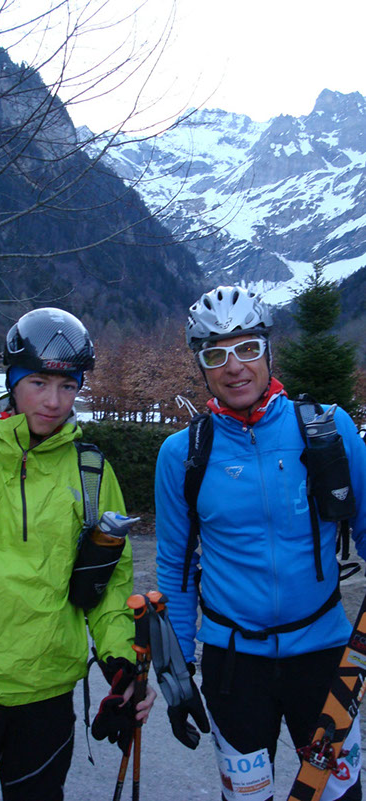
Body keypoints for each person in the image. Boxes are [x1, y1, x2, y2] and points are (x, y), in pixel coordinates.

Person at [0, 307, 155, 801]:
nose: (53, 401)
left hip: (47, 696)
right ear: (12, 380)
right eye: (39, 382)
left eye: (68, 386)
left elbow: (108, 586)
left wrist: (120, 666)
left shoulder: (92, 473)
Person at [155, 286, 366, 801]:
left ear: (268, 351)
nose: (235, 367)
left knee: (338, 796)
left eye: (248, 348)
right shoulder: (182, 454)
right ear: (201, 366)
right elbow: (175, 570)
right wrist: (177, 673)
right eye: (216, 355)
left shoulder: (328, 429)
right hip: (234, 668)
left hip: (324, 657)